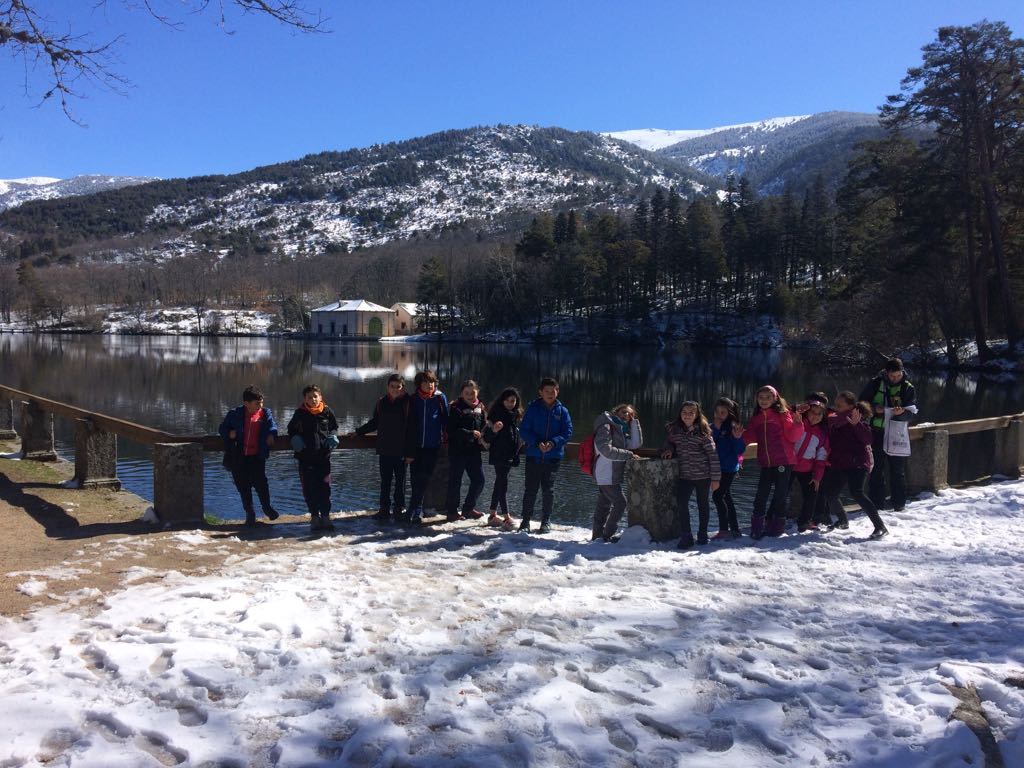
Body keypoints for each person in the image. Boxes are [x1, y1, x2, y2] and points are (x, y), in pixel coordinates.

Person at [818, 392, 889, 539]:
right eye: (836, 404)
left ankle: (880, 526)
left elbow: (868, 439)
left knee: (857, 492)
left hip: (857, 462)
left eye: (839, 405)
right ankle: (843, 520)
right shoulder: (834, 420)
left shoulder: (857, 419)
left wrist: (857, 425)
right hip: (839, 463)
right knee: (830, 493)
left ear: (850, 406)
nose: (836, 408)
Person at [743, 385, 804, 540]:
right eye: (761, 398)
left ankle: (777, 528)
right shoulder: (756, 418)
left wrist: (798, 425)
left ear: (775, 398)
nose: (764, 401)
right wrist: (738, 435)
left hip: (784, 460)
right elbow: (749, 437)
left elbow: (793, 436)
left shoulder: (783, 415)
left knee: (780, 495)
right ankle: (757, 528)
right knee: (761, 496)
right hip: (766, 463)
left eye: (767, 397)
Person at [351, 373, 411, 524]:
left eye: (398, 387)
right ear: (387, 387)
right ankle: (384, 508)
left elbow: (412, 426)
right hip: (384, 448)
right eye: (392, 386)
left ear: (403, 388)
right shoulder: (381, 402)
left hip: (401, 449)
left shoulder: (408, 402)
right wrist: (359, 431)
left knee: (400, 480)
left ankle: (399, 508)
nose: (395, 389)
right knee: (385, 480)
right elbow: (375, 422)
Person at [859, 358, 917, 512]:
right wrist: (874, 409)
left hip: (896, 434)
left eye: (898, 376)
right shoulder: (875, 383)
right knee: (876, 470)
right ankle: (876, 504)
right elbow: (861, 404)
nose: (895, 379)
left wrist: (902, 413)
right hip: (876, 433)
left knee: (897, 471)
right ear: (886, 373)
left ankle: (899, 504)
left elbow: (912, 414)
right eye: (892, 376)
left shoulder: (908, 387)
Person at [218, 385, 279, 527]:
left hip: (257, 456)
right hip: (238, 456)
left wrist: (271, 434)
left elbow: (273, 426)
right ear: (246, 403)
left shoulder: (265, 413)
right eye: (257, 403)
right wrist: (228, 434)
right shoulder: (235, 414)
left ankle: (266, 507)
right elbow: (222, 428)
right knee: (243, 486)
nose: (260, 405)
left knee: (261, 484)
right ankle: (250, 513)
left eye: (261, 402)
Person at [661, 401, 719, 548]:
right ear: (680, 414)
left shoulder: (703, 433)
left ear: (697, 415)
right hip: (685, 476)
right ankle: (686, 535)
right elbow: (669, 443)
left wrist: (715, 479)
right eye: (684, 412)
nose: (687, 415)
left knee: (703, 505)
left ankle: (702, 534)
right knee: (681, 504)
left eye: (691, 413)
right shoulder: (675, 431)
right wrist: (668, 449)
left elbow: (713, 456)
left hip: (703, 476)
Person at [518, 377, 573, 534]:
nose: (550, 394)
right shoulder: (533, 409)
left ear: (557, 391)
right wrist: (537, 443)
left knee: (548, 490)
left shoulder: (562, 411)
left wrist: (553, 443)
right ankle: (525, 521)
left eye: (553, 391)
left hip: (553, 457)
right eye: (547, 391)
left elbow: (567, 432)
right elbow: (524, 430)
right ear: (540, 392)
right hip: (534, 456)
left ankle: (545, 521)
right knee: (530, 490)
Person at [286, 384, 339, 532]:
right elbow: (291, 429)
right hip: (306, 459)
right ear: (305, 399)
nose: (313, 399)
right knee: (309, 489)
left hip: (324, 458)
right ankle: (314, 516)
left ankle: (326, 516)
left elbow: (334, 426)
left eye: (315, 396)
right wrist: (295, 437)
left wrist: (333, 435)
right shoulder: (300, 413)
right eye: (310, 397)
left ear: (320, 397)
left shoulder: (327, 412)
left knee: (325, 488)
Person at [591, 403, 643, 542]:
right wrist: (628, 455)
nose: (626, 415)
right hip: (606, 472)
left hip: (611, 474)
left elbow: (635, 444)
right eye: (623, 412)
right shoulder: (606, 426)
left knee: (604, 505)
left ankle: (598, 536)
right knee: (621, 503)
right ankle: (607, 535)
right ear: (616, 412)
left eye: (630, 414)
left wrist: (634, 423)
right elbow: (605, 449)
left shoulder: (621, 430)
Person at [404, 370, 448, 525]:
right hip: (415, 447)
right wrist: (408, 449)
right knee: (415, 479)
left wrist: (446, 440)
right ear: (419, 384)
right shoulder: (412, 399)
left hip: (432, 446)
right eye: (425, 382)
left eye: (432, 382)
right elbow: (407, 426)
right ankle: (414, 511)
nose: (429, 385)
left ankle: (413, 510)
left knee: (424, 479)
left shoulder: (440, 398)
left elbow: (446, 421)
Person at [446, 379, 488, 523]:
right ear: (462, 394)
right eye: (467, 393)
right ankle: (451, 512)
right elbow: (450, 430)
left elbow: (484, 427)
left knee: (479, 480)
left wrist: (486, 435)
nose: (470, 396)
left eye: (472, 393)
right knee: (455, 481)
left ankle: (468, 508)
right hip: (457, 450)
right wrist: (469, 433)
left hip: (474, 451)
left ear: (478, 392)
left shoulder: (481, 408)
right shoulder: (455, 407)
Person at [482, 387, 523, 530]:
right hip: (499, 455)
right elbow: (486, 437)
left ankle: (493, 514)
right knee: (502, 483)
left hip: (510, 455)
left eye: (513, 401)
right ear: (502, 401)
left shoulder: (515, 416)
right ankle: (506, 516)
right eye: (508, 401)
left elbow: (516, 436)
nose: (510, 403)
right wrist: (494, 430)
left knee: (500, 483)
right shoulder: (495, 415)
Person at [790, 393, 830, 533]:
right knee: (781, 493)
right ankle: (772, 518)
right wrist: (796, 408)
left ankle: (804, 521)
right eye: (813, 412)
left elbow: (821, 456)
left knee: (811, 494)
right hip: (789, 464)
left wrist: (817, 476)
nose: (815, 416)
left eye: (819, 414)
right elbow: (784, 411)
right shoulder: (797, 422)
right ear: (807, 411)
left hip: (806, 469)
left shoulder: (822, 434)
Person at [709, 397, 746, 540]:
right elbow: (710, 443)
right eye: (717, 412)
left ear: (729, 413)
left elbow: (739, 451)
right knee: (726, 498)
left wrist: (737, 438)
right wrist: (716, 429)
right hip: (716, 467)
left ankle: (724, 529)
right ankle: (735, 529)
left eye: (723, 412)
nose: (719, 415)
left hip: (729, 468)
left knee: (717, 496)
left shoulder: (734, 428)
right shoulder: (712, 427)